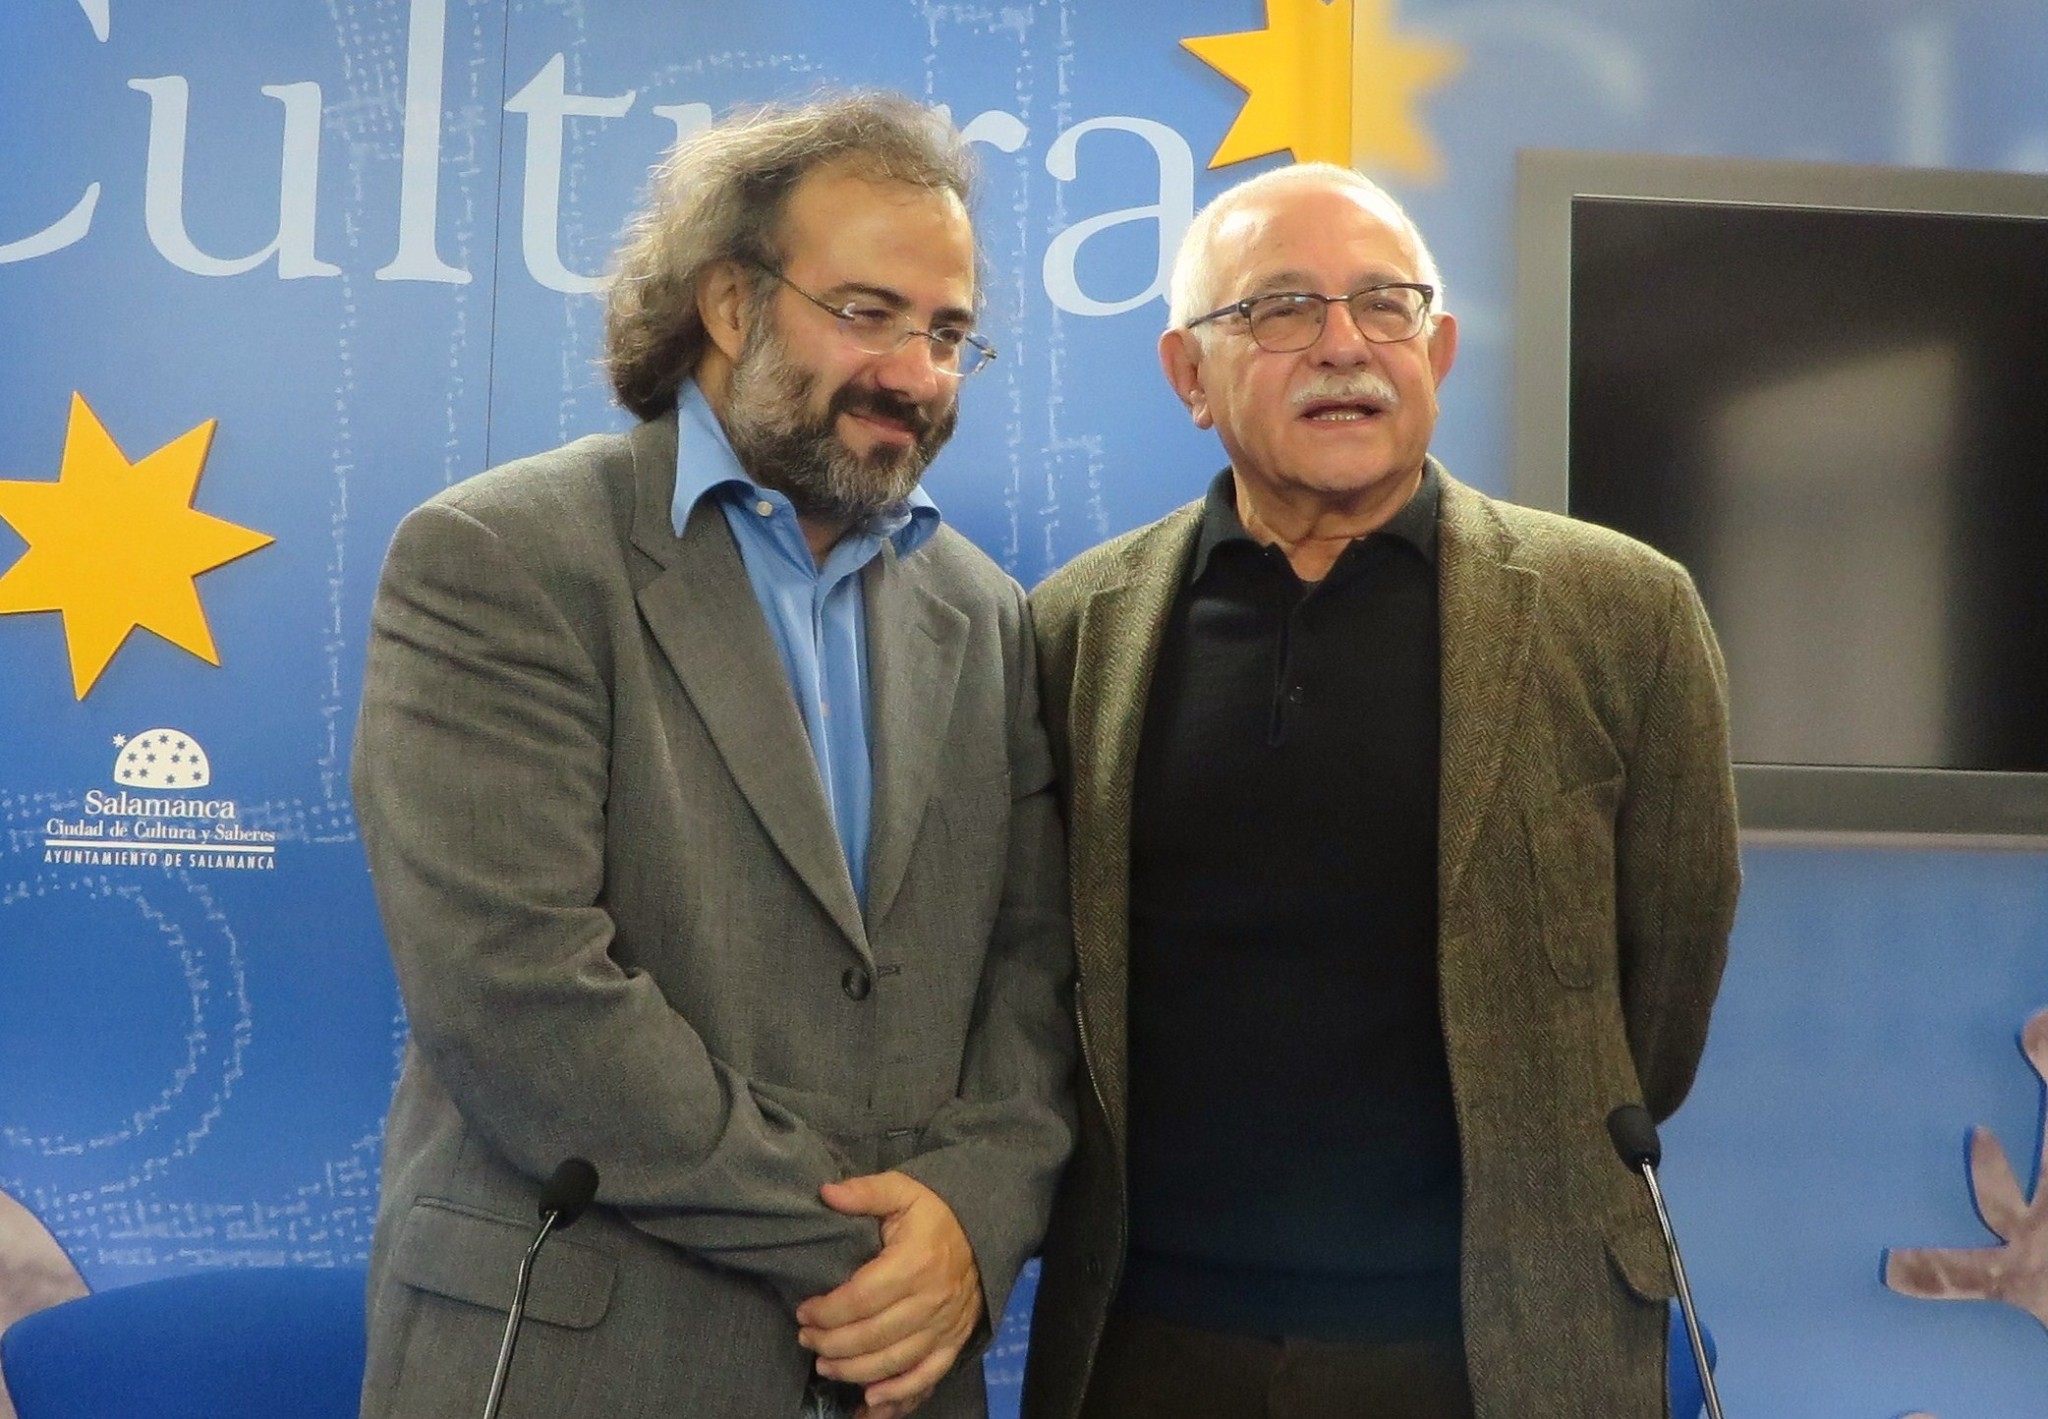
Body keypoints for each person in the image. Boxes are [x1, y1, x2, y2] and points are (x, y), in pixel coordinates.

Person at [352, 93, 1074, 1419]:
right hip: (581, 1355)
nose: (917, 373)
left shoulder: (986, 614)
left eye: (952, 332)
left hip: (897, 1376)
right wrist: (874, 1251)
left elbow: (1035, 978)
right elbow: (521, 995)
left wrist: (973, 1215)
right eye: (867, 311)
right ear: (730, 305)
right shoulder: (502, 559)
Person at [1021, 162, 1741, 1419]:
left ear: (1439, 348)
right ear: (1188, 375)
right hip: (1149, 1338)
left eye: (1383, 305)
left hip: (1498, 1345)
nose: (1342, 346)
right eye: (1281, 308)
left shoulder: (1623, 610)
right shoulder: (1073, 627)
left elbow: (1659, 995)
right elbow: (1033, 969)